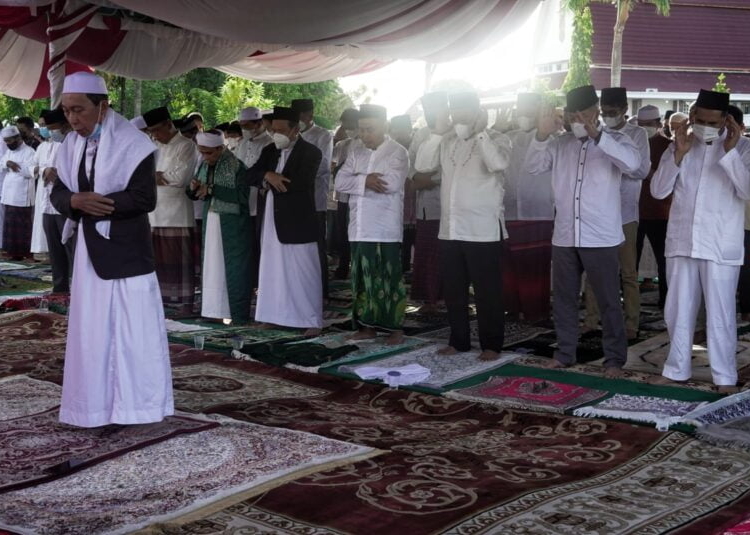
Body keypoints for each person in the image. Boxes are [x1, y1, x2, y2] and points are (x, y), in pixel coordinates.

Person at [50, 72, 173, 427]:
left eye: (79, 110)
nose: (73, 119)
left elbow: (144, 198)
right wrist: (74, 200)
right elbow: (58, 192)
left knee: (132, 331)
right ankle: (94, 405)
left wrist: (96, 204)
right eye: (67, 111)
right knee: (93, 331)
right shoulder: (70, 145)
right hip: (89, 254)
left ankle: (138, 407)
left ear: (102, 108)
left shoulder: (134, 145)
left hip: (127, 253)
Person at [526, 85, 641, 376]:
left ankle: (614, 359)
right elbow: (532, 167)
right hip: (565, 234)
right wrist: (540, 134)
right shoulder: (560, 143)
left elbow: (634, 166)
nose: (576, 120)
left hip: (601, 235)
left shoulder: (617, 140)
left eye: (582, 114)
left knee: (608, 300)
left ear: (595, 112)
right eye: (571, 115)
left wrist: (597, 136)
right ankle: (565, 353)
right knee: (563, 298)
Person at [650, 90, 750, 393]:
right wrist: (678, 154)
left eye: (713, 122)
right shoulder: (680, 146)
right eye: (701, 119)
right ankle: (676, 369)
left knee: (720, 312)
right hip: (682, 239)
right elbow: (657, 191)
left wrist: (730, 152)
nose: (706, 125)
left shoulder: (743, 148)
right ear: (692, 117)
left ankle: (724, 377)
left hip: (720, 243)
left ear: (726, 121)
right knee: (677, 309)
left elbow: (746, 192)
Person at [416, 92, 511, 360]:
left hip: (483, 230)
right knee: (454, 290)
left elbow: (498, 163)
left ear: (477, 112)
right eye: (455, 112)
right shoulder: (446, 141)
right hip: (451, 229)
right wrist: (436, 132)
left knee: (487, 292)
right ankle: (458, 341)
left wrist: (481, 134)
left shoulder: (498, 139)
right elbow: (422, 165)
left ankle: (492, 344)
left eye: (464, 112)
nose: (459, 118)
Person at [336, 104, 409, 345]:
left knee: (387, 279)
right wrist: (365, 180)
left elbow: (391, 184)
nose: (364, 135)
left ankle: (394, 329)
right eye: (361, 130)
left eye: (370, 129)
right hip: (358, 227)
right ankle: (366, 327)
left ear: (385, 127)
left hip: (384, 228)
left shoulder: (397, 152)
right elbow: (339, 182)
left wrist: (358, 182)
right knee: (361, 279)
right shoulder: (356, 151)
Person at [247, 106, 323, 334]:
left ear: (295, 129)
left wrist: (270, 181)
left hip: (298, 221)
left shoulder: (311, 152)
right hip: (271, 218)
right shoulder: (270, 150)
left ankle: (311, 320)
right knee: (272, 268)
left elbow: (298, 183)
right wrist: (266, 175)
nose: (275, 134)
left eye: (280, 130)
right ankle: (272, 315)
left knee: (303, 270)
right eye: (273, 129)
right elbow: (249, 174)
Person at [582, 87, 650, 340]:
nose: (608, 116)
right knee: (594, 271)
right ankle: (591, 319)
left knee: (628, 273)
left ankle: (631, 323)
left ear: (624, 110)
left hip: (625, 214)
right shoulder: (595, 132)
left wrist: (619, 163)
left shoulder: (637, 133)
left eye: (613, 112)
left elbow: (641, 170)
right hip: (598, 213)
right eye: (605, 112)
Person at [187, 129, 252, 324]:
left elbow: (242, 197)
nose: (204, 157)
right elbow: (197, 193)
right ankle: (213, 312)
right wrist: (192, 189)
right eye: (202, 152)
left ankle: (238, 315)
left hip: (233, 225)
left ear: (220, 148)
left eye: (209, 153)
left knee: (234, 269)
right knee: (212, 269)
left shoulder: (237, 167)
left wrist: (213, 189)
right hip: (211, 222)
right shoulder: (204, 166)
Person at [503, 92, 555, 322]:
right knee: (509, 267)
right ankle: (513, 308)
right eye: (520, 111)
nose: (523, 116)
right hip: (509, 211)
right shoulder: (506, 138)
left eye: (529, 111)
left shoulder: (553, 140)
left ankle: (536, 311)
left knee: (535, 267)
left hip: (539, 212)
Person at [143, 106, 199, 315]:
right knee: (156, 262)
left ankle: (185, 305)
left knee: (179, 263)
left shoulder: (186, 146)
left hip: (177, 213)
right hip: (154, 212)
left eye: (157, 130)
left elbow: (181, 178)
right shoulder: (153, 146)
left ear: (169, 124)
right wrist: (158, 176)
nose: (155, 135)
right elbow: (145, 174)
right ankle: (158, 303)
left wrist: (158, 176)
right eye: (151, 132)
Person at [29, 109, 75, 292]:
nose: (46, 130)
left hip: (64, 205)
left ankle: (77, 287)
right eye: (44, 127)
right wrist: (43, 171)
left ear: (63, 125)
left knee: (70, 247)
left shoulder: (72, 143)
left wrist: (59, 175)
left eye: (50, 127)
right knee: (54, 249)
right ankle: (60, 287)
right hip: (46, 205)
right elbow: (32, 166)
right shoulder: (43, 146)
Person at [292, 98, 333, 298]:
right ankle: (299, 290)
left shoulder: (323, 135)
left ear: (310, 116)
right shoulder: (290, 135)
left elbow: (323, 165)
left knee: (317, 247)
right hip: (293, 201)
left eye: (301, 117)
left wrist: (295, 175)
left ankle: (321, 292)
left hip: (315, 200)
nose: (298, 121)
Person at [411, 92, 446, 313]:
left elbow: (452, 168)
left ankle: (443, 298)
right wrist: (419, 178)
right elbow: (412, 165)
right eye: (428, 111)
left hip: (446, 206)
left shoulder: (454, 134)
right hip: (424, 207)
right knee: (425, 254)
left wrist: (431, 179)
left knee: (443, 255)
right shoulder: (422, 134)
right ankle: (428, 300)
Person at [635, 105, 674, 309]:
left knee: (664, 261)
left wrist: (648, 172)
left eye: (648, 125)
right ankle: (628, 303)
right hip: (633, 212)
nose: (644, 129)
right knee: (629, 263)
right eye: (641, 125)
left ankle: (666, 301)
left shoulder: (670, 146)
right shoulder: (631, 143)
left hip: (661, 212)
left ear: (658, 124)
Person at [330, 108, 360, 279]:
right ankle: (343, 265)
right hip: (343, 196)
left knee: (354, 232)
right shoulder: (343, 145)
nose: (346, 128)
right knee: (342, 232)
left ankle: (354, 266)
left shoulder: (363, 143)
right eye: (343, 125)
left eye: (348, 124)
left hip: (357, 196)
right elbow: (335, 167)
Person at [1, 125, 36, 260]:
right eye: (6, 141)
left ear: (18, 138)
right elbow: (2, 162)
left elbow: (31, 171)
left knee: (22, 224)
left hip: (22, 194)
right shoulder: (9, 152)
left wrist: (15, 165)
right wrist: (8, 163)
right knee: (9, 224)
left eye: (10, 141)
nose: (8, 144)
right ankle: (11, 252)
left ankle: (25, 252)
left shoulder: (30, 152)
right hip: (9, 193)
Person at [390, 114, 417, 274]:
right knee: (400, 236)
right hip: (397, 198)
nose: (398, 133)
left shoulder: (416, 146)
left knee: (412, 235)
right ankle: (402, 266)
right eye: (395, 130)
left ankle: (410, 267)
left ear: (408, 129)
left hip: (415, 196)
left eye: (402, 130)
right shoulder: (390, 148)